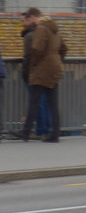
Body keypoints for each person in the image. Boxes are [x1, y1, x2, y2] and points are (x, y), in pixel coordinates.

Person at [19, 9, 66, 143]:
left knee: (34, 101)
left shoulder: (41, 29)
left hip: (41, 69)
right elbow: (64, 49)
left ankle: (26, 133)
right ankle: (55, 134)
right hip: (55, 68)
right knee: (53, 103)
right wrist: (57, 60)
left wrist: (34, 64)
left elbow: (37, 48)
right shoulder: (55, 30)